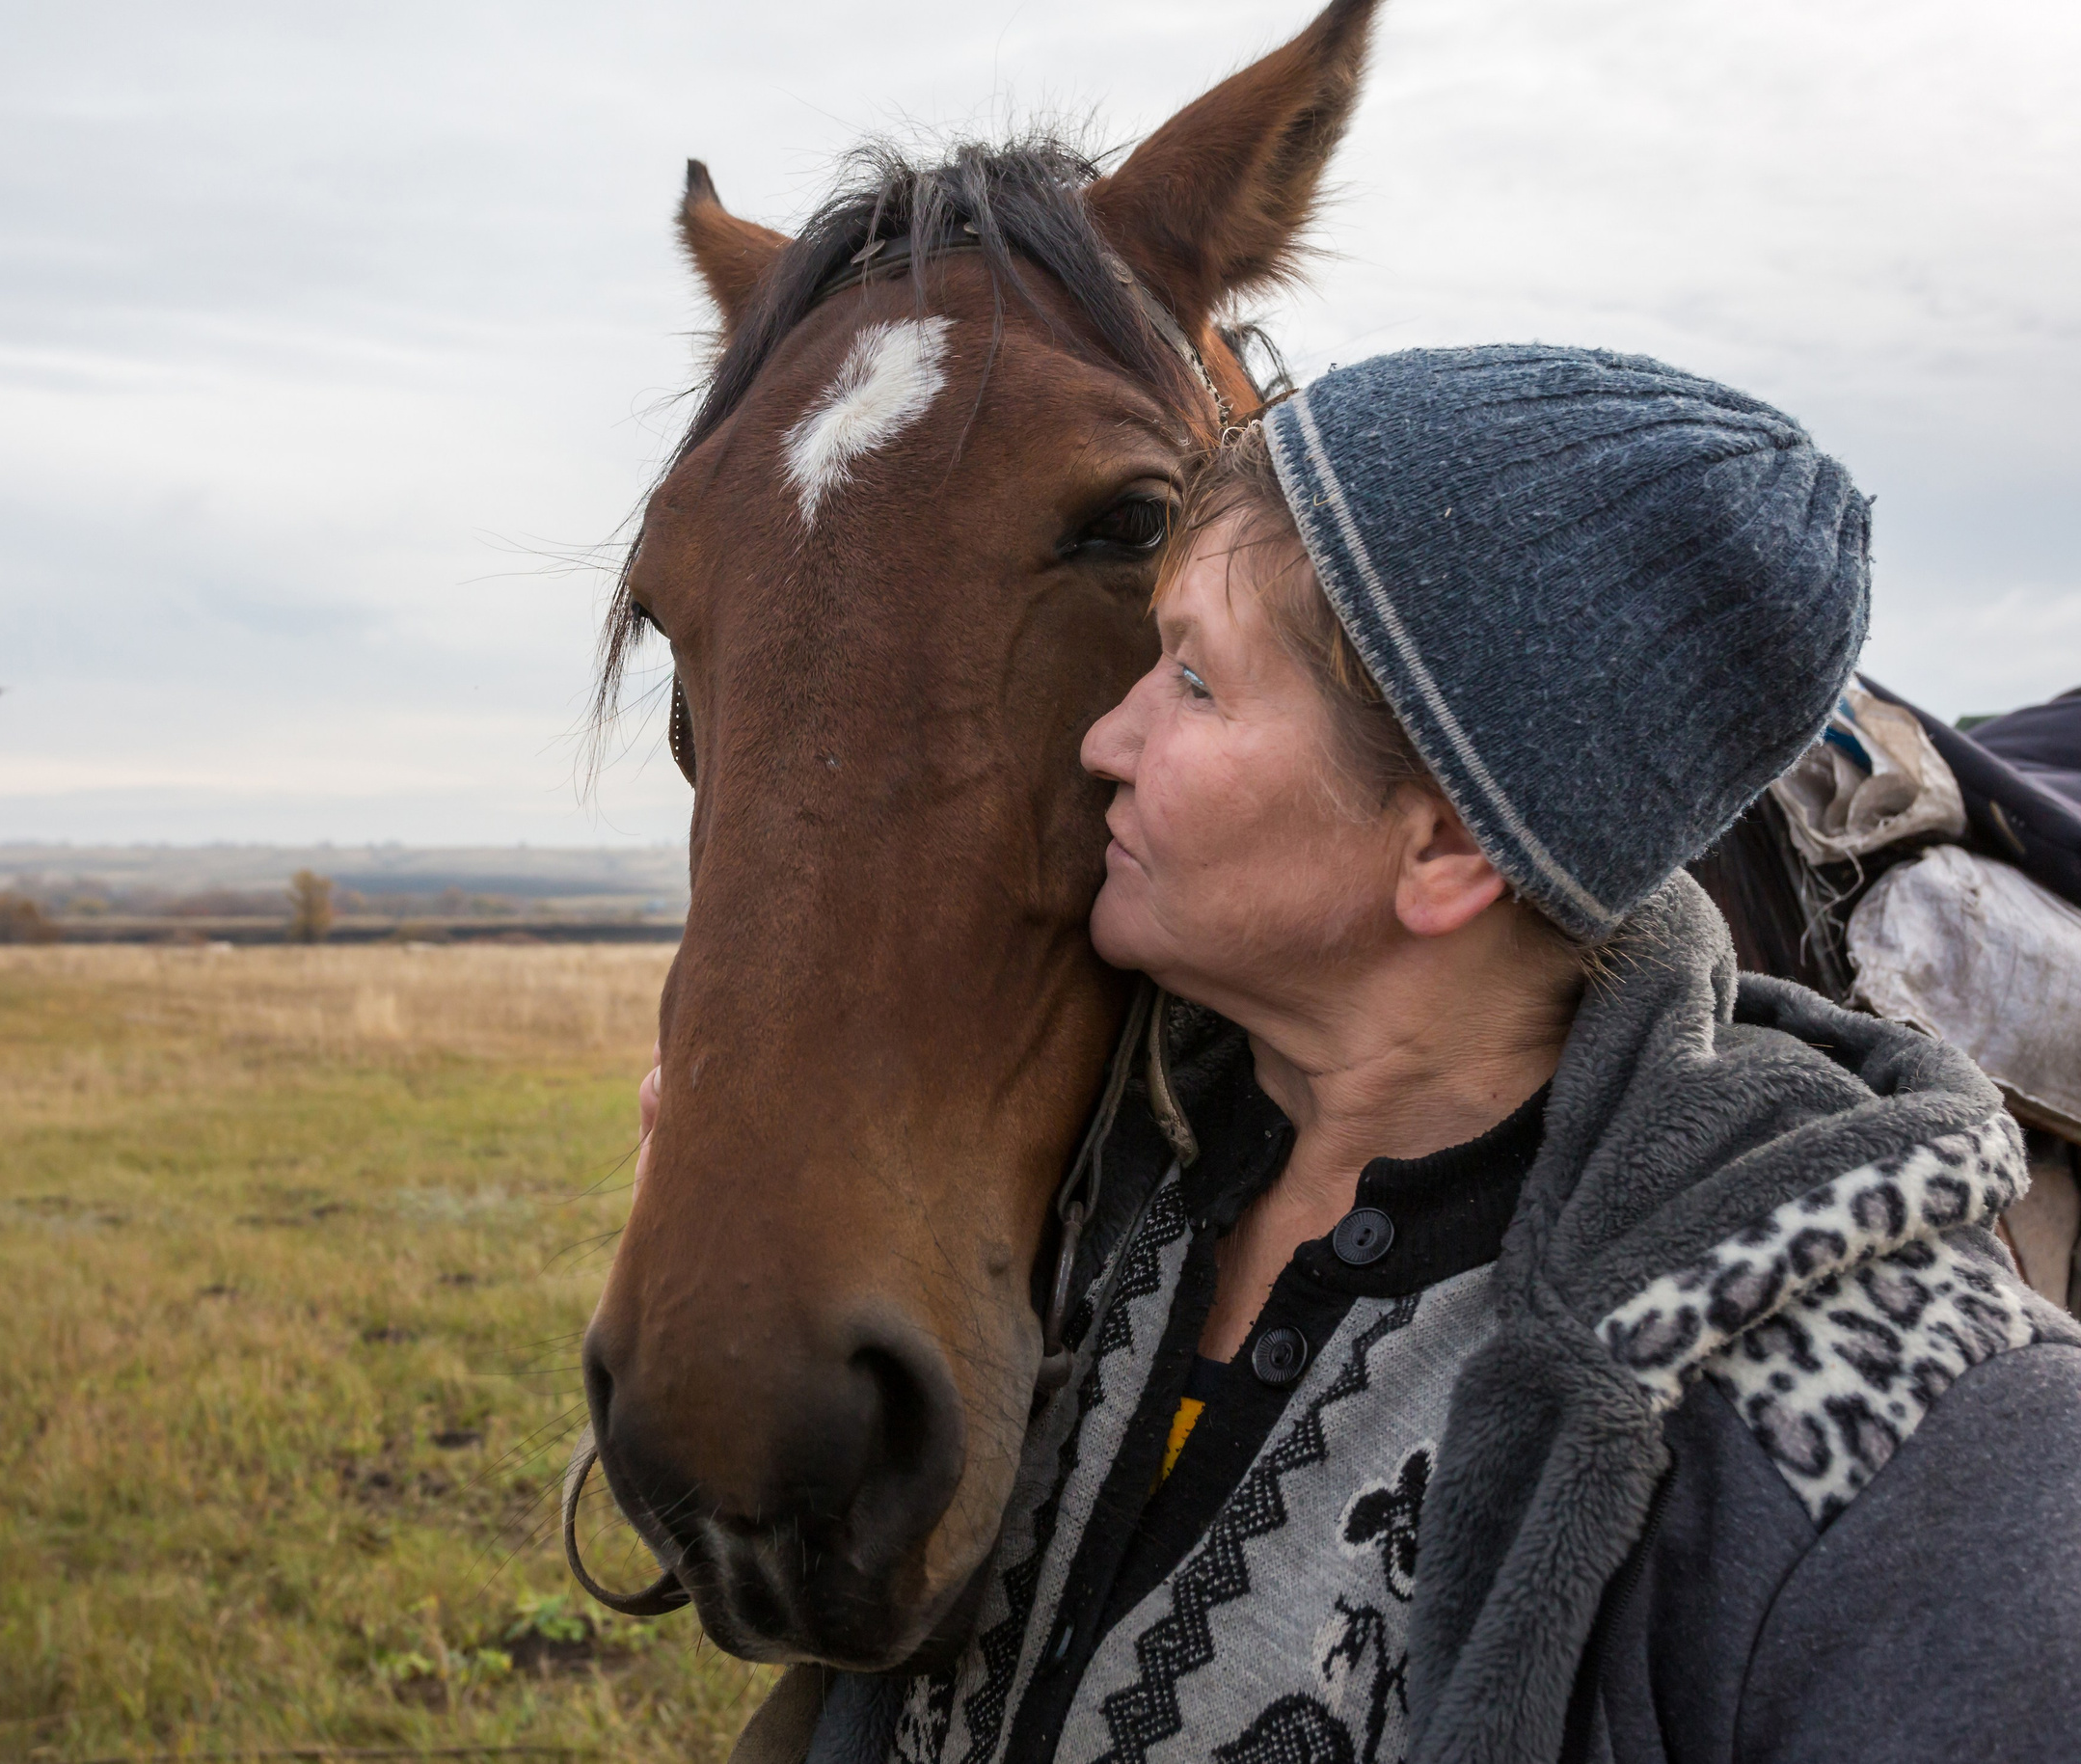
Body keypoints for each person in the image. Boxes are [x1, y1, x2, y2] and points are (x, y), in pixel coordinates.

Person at [638, 345, 2081, 1763]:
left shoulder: (1921, 1456)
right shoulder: (1095, 1162)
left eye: (1192, 682)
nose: (1106, 738)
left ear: (1445, 843)